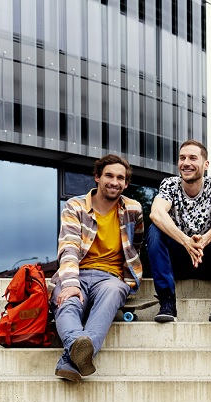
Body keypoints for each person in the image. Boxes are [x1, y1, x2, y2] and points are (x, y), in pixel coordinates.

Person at [51, 154, 144, 383]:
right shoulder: (75, 206)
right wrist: (71, 283)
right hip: (77, 272)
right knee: (68, 301)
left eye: (120, 178)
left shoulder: (133, 209)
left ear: (126, 183)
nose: (114, 182)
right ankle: (77, 350)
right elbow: (69, 246)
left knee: (113, 291)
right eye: (109, 175)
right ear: (97, 177)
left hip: (110, 277)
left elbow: (136, 244)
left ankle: (71, 356)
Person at [146, 139, 211, 323]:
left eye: (192, 158)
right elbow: (156, 213)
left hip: (208, 260)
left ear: (205, 164)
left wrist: (204, 240)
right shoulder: (170, 185)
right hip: (178, 261)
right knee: (154, 230)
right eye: (182, 158)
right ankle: (166, 300)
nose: (186, 163)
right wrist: (186, 241)